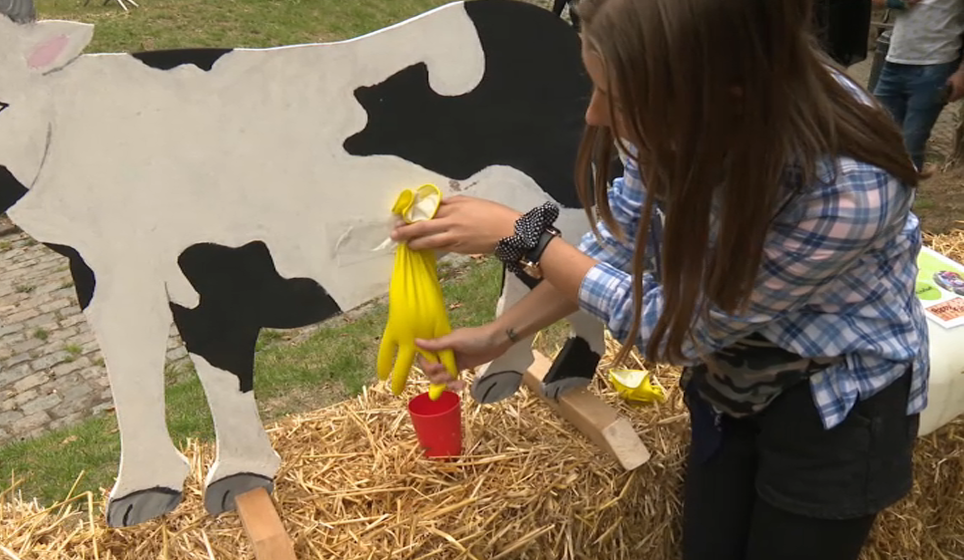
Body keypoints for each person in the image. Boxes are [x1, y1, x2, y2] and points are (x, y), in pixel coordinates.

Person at [390, 0, 930, 559]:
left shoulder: (849, 189)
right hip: (732, 380)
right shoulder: (672, 114)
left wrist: (528, 238)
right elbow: (626, 245)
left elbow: (680, 329)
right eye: (597, 87)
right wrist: (502, 334)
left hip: (837, 400)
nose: (597, 116)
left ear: (723, 94)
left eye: (617, 98)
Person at [871, 0, 964, 176]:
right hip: (893, 63)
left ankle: (904, 201)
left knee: (910, 146)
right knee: (878, 138)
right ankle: (883, 198)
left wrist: (962, 72)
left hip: (935, 66)